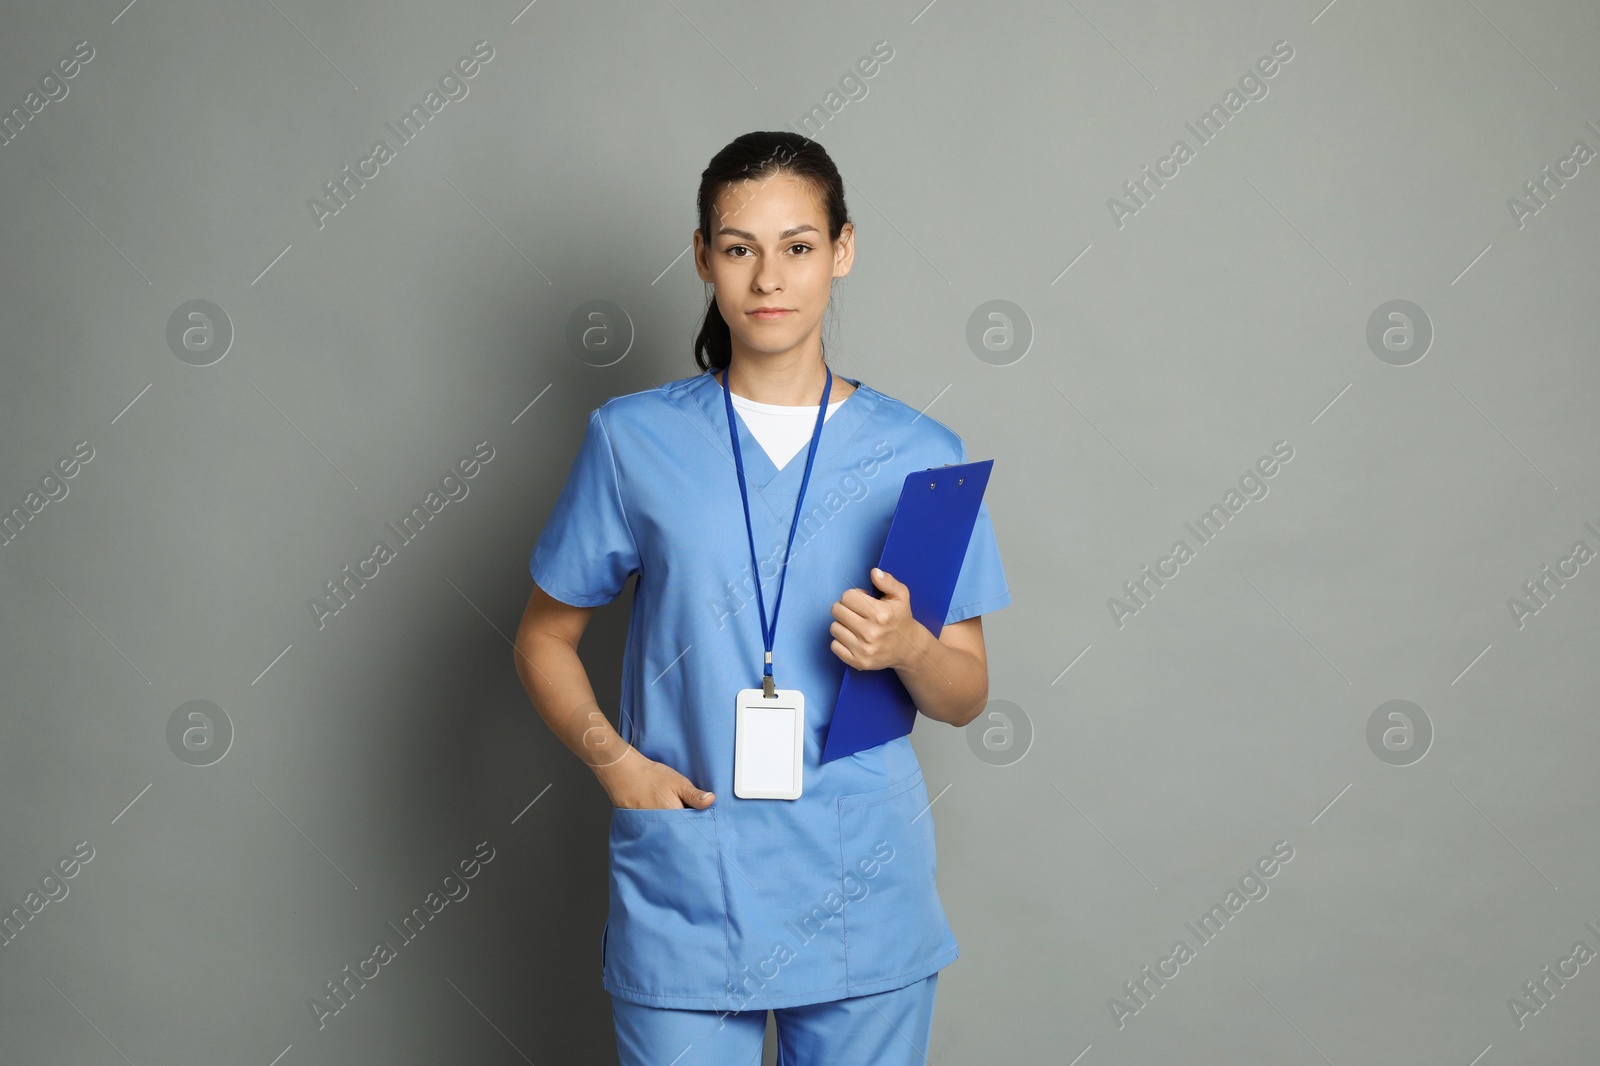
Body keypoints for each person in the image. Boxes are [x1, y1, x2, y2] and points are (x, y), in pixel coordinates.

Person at [512, 131, 1011, 1066]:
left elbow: (966, 694)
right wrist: (613, 764)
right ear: (703, 258)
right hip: (691, 881)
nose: (768, 278)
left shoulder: (921, 455)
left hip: (861, 880)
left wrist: (909, 648)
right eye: (739, 248)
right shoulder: (633, 441)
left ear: (843, 251)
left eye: (799, 246)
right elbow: (544, 638)